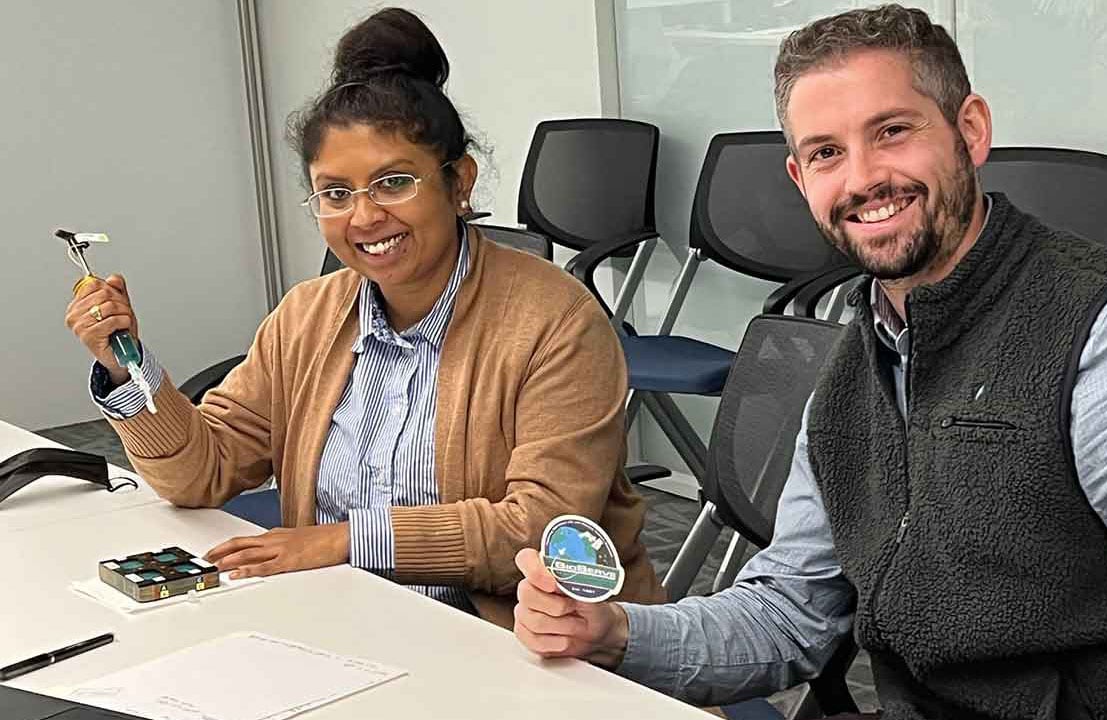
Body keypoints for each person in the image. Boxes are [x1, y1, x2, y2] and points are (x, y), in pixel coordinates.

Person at [512, 5, 1107, 717]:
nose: (864, 179)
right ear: (799, 178)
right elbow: (791, 614)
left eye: (893, 131)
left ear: (970, 130)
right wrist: (610, 632)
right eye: (825, 152)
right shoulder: (857, 363)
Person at [64, 7, 663, 627]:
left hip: (518, 637)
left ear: (459, 182)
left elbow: (540, 530)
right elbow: (202, 473)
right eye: (335, 192)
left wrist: (346, 541)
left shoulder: (555, 320)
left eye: (394, 182)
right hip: (336, 621)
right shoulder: (307, 315)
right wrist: (125, 367)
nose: (364, 217)